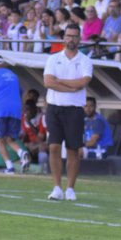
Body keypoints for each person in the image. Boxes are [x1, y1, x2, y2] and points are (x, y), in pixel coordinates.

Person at [43, 22, 92, 200]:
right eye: (68, 36)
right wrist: (71, 87)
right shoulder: (53, 58)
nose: (71, 39)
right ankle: (57, 187)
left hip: (74, 110)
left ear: (79, 38)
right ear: (64, 37)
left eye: (74, 36)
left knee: (73, 150)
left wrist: (60, 82)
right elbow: (48, 82)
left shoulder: (85, 60)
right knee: (54, 147)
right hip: (55, 108)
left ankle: (70, 188)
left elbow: (83, 83)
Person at [0, 56, 32, 174]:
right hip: (15, 110)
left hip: (0, 110)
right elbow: (24, 93)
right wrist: (22, 106)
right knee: (9, 138)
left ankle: (9, 167)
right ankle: (21, 152)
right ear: (3, 65)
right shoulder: (13, 75)